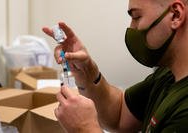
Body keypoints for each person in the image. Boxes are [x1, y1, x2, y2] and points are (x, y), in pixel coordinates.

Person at [42, 0, 188, 132]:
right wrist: (86, 70)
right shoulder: (167, 74)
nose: (132, 28)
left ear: (175, 14)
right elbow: (119, 115)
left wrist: (84, 128)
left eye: (136, 17)